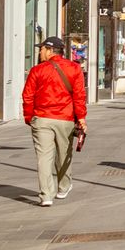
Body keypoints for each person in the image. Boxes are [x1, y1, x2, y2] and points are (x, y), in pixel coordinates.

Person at [22, 36, 86, 207]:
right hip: (65, 118)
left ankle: (46, 195)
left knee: (44, 157)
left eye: (41, 49)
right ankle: (63, 187)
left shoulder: (37, 70)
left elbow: (27, 95)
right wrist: (81, 117)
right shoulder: (74, 69)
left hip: (42, 118)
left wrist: (29, 117)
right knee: (64, 154)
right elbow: (79, 95)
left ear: (50, 50)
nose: (40, 52)